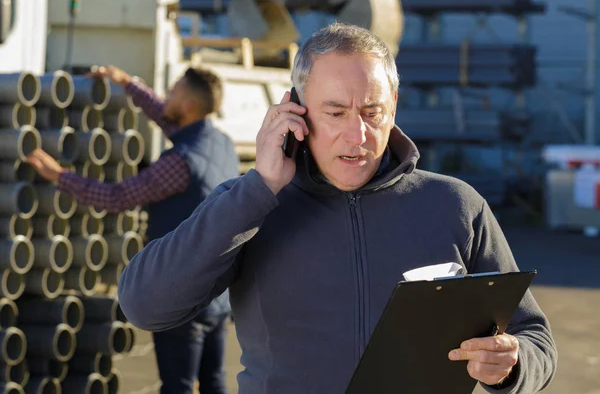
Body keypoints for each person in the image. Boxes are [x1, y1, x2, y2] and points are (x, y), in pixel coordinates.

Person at [117, 23, 558, 394]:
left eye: (372, 111)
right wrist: (259, 189)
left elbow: (535, 338)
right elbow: (144, 305)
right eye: (335, 112)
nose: (357, 135)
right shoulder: (249, 204)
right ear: (296, 110)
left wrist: (513, 365)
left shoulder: (456, 205)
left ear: (394, 108)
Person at [27, 66, 239, 394]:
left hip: (183, 295)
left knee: (177, 386)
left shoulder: (179, 162)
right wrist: (127, 82)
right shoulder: (219, 143)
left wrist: (59, 176)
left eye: (174, 91)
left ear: (189, 106)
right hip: (218, 294)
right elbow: (166, 116)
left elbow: (118, 197)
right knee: (214, 383)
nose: (166, 94)